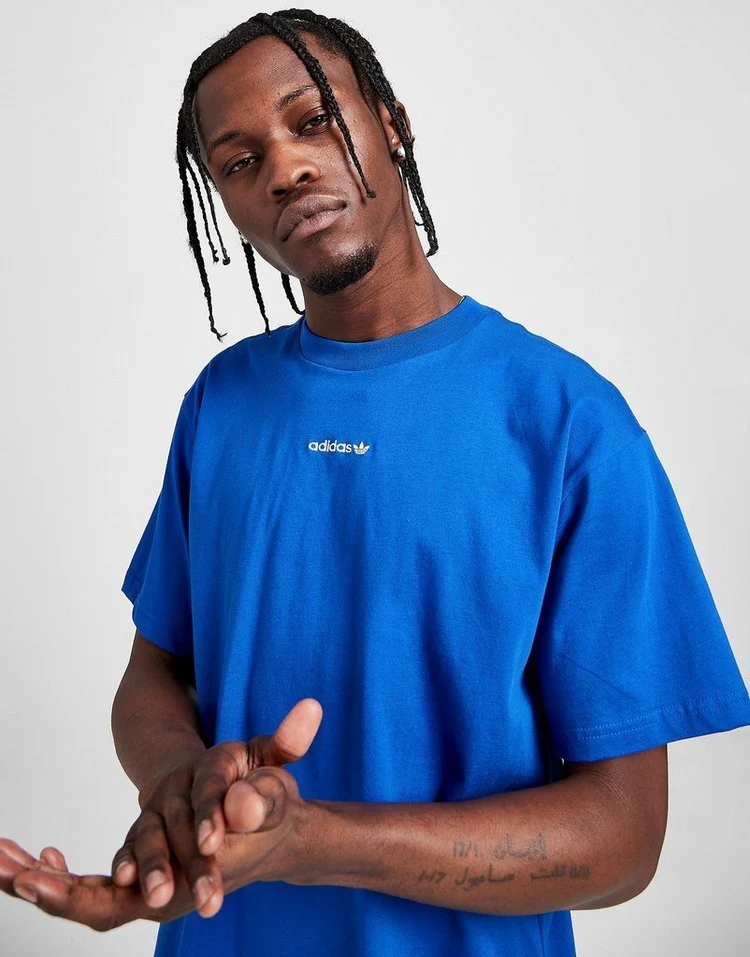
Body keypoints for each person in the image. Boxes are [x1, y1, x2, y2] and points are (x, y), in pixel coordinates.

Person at [2, 8, 749, 956]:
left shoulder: (568, 421)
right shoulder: (221, 404)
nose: (285, 169)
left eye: (313, 120)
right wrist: (187, 790)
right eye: (239, 162)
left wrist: (310, 842)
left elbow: (624, 837)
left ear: (390, 123)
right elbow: (153, 675)